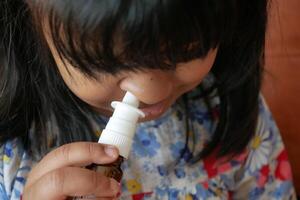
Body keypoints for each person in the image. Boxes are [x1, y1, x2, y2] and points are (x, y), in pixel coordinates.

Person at [0, 0, 296, 199]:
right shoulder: (12, 155)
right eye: (105, 62)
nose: (150, 93)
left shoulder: (229, 112)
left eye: (185, 51)